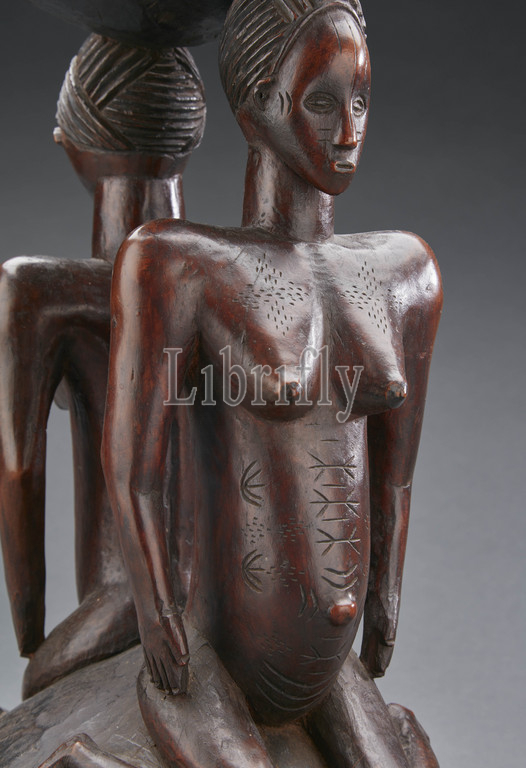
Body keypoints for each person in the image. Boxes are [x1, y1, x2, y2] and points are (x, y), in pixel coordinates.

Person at [100, 0, 442, 766]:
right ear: (255, 108)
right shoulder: (181, 266)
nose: (349, 131)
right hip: (213, 658)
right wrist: (157, 615)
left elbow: (396, 474)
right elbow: (133, 469)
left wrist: (386, 592)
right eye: (321, 102)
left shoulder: (402, 274)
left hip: (328, 669)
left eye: (361, 101)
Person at [0, 33, 205, 698]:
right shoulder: (226, 273)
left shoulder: (42, 293)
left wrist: (33, 634)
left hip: (124, 599)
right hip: (223, 598)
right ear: (191, 135)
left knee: (41, 686)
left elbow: (19, 468)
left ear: (74, 143)